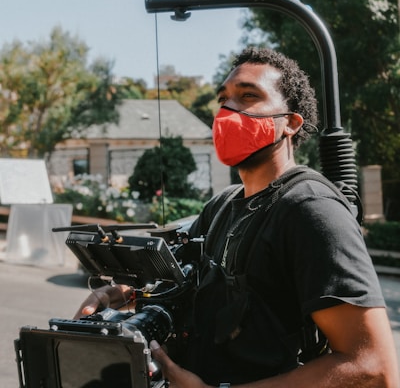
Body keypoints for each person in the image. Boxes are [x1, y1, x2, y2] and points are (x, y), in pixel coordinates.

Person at [75, 47, 399, 387]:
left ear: (290, 122)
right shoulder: (222, 205)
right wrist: (122, 292)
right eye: (223, 99)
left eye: (248, 96)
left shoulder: (311, 210)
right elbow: (176, 276)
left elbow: (373, 369)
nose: (228, 111)